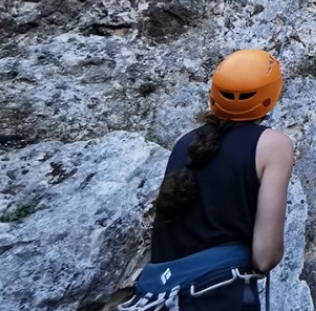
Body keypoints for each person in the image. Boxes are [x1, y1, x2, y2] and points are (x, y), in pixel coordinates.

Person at [118, 50, 295, 311]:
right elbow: (265, 256)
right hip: (217, 296)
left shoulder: (184, 143)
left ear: (213, 96)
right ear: (270, 98)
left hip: (157, 298)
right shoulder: (273, 145)